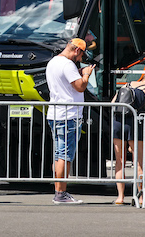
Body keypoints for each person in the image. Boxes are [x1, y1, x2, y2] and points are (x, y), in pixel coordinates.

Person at [46, 38, 95, 204]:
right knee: (65, 156)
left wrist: (79, 74)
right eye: (81, 55)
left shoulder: (53, 62)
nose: (81, 59)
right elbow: (80, 87)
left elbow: (65, 84)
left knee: (59, 155)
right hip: (68, 115)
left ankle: (58, 191)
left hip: (55, 114)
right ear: (77, 51)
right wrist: (86, 74)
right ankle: (61, 193)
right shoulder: (68, 65)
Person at [111, 68, 145, 205]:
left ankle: (120, 197)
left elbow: (112, 103)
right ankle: (140, 197)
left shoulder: (127, 84)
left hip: (118, 122)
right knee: (139, 162)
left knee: (119, 161)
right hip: (135, 124)